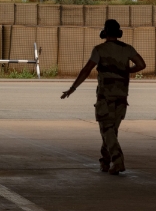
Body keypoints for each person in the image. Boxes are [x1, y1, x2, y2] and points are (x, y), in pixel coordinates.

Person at [61, 19, 145, 175]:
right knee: (111, 131)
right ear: (119, 32)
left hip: (105, 96)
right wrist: (125, 71)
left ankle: (118, 161)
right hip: (121, 95)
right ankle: (105, 162)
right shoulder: (128, 49)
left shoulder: (99, 49)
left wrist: (72, 88)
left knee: (107, 130)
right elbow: (141, 65)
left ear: (105, 32)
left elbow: (86, 70)